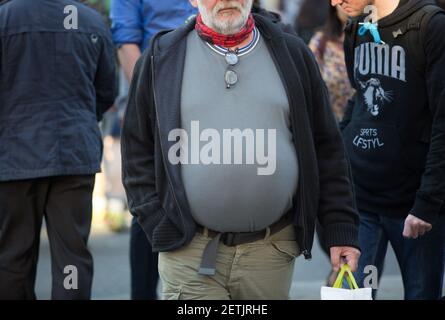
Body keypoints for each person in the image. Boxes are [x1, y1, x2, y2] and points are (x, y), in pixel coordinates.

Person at [122, 0, 360, 300]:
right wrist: (158, 222)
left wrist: (340, 229)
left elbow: (327, 148)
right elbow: (136, 152)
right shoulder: (161, 58)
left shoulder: (292, 53)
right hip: (189, 253)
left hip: (270, 253)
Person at [0, 0, 116, 299]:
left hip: (13, 155)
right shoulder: (90, 21)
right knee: (72, 257)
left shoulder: (5, 17)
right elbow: (106, 92)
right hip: (74, 153)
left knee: (12, 257)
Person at [332, 0, 445, 299]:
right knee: (352, 295)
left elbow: (443, 122)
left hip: (415, 209)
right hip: (361, 201)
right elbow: (358, 98)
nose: (333, 3)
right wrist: (340, 152)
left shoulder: (431, 26)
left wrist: (428, 202)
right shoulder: (356, 26)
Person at [110, 0, 197, 300]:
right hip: (158, 96)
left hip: (214, 93)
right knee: (153, 197)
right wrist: (151, 94)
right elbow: (126, 41)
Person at [309, 4, 354, 122]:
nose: (344, 4)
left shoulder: (371, 41)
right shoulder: (320, 42)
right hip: (330, 127)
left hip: (361, 127)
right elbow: (308, 87)